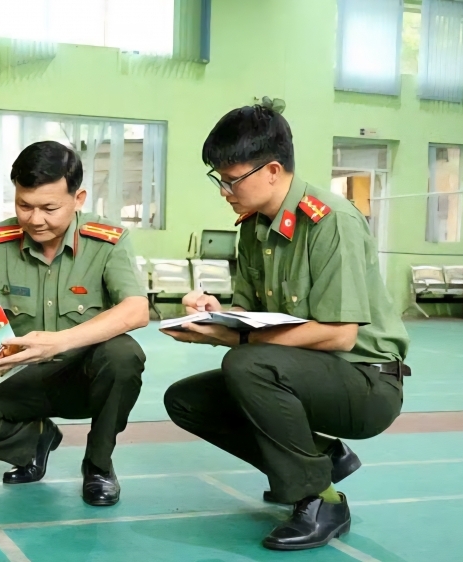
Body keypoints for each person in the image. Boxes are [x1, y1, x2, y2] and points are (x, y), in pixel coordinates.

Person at [160, 104, 410, 551]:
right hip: (303, 372)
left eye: (232, 180)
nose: (224, 191)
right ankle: (321, 457)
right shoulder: (253, 227)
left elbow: (340, 334)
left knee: (248, 364)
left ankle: (321, 500)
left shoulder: (331, 222)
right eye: (219, 179)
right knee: (187, 400)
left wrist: (238, 338)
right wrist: (213, 315)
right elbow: (253, 314)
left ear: (272, 171)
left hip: (366, 381)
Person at [0, 140, 149, 506]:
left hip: (84, 378)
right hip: (19, 376)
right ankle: (35, 442)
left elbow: (136, 309)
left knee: (123, 355)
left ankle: (98, 465)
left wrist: (60, 342)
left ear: (78, 199)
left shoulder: (107, 241)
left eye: (49, 208)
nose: (35, 219)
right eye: (24, 205)